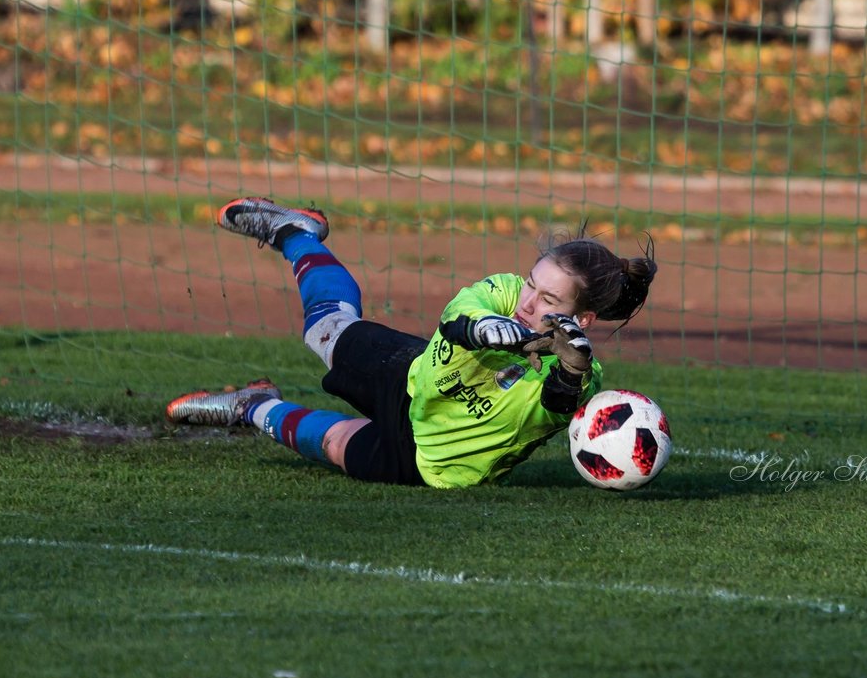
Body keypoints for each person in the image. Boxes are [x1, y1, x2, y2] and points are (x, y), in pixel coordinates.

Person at [166, 197, 657, 488]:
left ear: (583, 318)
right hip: (410, 375)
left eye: (548, 297)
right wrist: (486, 329)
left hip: (435, 465)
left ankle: (251, 407)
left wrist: (570, 373)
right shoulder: (505, 292)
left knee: (337, 445)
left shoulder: (580, 372)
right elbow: (457, 319)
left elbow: (553, 407)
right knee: (324, 331)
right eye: (532, 282)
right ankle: (297, 234)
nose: (528, 301)